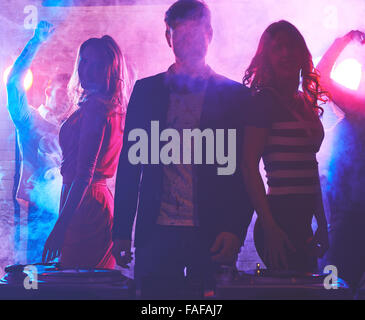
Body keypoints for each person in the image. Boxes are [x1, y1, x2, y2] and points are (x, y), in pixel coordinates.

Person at [112, 0, 253, 298]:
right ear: (168, 38)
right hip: (156, 232)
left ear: (210, 34)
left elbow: (245, 169)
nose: (188, 42)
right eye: (181, 35)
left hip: (212, 231)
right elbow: (129, 166)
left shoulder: (234, 95)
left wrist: (236, 229)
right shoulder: (146, 91)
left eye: (195, 34)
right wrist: (121, 231)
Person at [241, 20, 330, 272]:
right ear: (266, 56)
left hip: (303, 222)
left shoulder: (303, 101)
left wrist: (322, 225)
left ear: (302, 53)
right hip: (278, 217)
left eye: (292, 47)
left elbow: (310, 170)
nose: (286, 54)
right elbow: (248, 167)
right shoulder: (264, 101)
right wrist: (269, 225)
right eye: (278, 48)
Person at [42, 34, 130, 269]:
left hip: (86, 204)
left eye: (95, 62)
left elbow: (84, 175)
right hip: (88, 200)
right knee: (89, 283)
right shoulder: (107, 105)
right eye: (83, 60)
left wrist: (60, 228)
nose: (85, 68)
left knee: (81, 285)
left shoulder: (95, 108)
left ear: (107, 68)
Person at [6, 21, 72, 264]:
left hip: (73, 214)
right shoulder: (30, 120)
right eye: (62, 91)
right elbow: (13, 83)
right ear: (47, 89)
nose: (68, 99)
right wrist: (35, 43)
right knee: (40, 283)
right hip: (40, 215)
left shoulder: (74, 126)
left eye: (72, 94)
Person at [317, 30, 365, 290]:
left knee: (332, 288)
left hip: (353, 221)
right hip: (351, 218)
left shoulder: (361, 108)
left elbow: (320, 77)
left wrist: (345, 40)